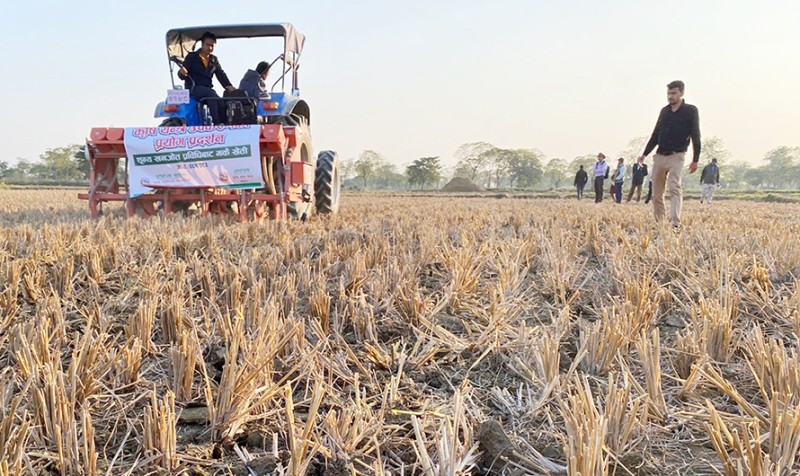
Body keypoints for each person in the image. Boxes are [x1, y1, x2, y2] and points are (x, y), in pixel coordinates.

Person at [638, 80, 701, 230]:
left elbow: (696, 135)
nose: (670, 96)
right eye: (668, 93)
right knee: (657, 192)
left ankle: (675, 222)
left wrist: (695, 160)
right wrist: (644, 154)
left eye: (673, 93)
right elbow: (655, 134)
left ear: (681, 93)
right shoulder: (664, 112)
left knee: (674, 187)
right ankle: (659, 222)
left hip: (677, 156)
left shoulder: (691, 111)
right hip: (660, 156)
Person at [178, 32, 236, 125]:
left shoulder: (214, 60)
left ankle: (224, 124)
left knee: (221, 102)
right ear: (202, 44)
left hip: (207, 89)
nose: (209, 48)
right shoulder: (192, 57)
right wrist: (182, 73)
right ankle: (216, 124)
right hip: (193, 88)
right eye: (207, 45)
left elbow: (220, 74)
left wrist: (228, 86)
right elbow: (182, 74)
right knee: (211, 95)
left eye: (212, 46)